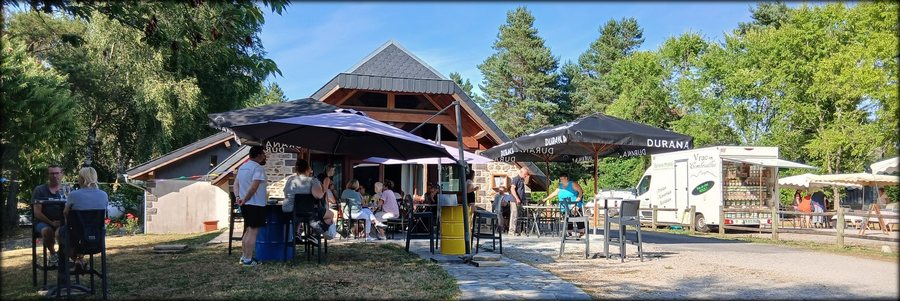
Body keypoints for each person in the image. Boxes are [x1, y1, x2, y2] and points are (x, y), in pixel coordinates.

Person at [62, 167, 108, 272]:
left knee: (59, 233)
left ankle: (74, 260)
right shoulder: (104, 195)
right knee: (79, 234)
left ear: (82, 179)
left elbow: (65, 213)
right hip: (97, 236)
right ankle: (80, 260)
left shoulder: (73, 195)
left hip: (76, 236)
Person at [284, 159, 339, 241]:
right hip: (308, 213)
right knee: (330, 215)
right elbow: (319, 196)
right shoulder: (312, 180)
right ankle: (314, 234)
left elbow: (285, 192)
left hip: (289, 211)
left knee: (304, 212)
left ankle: (297, 233)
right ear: (307, 169)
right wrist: (324, 188)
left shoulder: (290, 180)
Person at [233, 145, 268, 266]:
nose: (264, 156)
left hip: (245, 204)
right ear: (258, 155)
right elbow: (254, 186)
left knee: (248, 230)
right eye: (263, 154)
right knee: (253, 231)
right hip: (256, 203)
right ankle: (248, 259)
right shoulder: (257, 168)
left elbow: (235, 184)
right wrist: (245, 198)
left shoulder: (242, 167)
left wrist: (239, 198)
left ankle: (244, 256)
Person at [31, 165, 68, 266]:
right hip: (43, 222)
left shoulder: (67, 190)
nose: (55, 176)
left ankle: (67, 256)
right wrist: (51, 222)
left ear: (62, 174)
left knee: (69, 230)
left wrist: (63, 221)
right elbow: (37, 212)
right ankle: (53, 255)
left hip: (62, 221)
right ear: (48, 175)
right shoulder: (40, 190)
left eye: (57, 173)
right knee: (47, 231)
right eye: (52, 173)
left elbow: (71, 208)